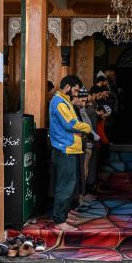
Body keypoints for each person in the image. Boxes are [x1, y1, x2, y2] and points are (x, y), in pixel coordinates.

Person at [49, 75, 92, 231]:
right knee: (65, 185)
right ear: (67, 87)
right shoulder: (59, 102)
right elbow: (70, 124)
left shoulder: (64, 101)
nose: (75, 93)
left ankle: (64, 215)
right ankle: (59, 220)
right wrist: (87, 128)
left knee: (70, 184)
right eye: (74, 90)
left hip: (70, 148)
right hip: (64, 148)